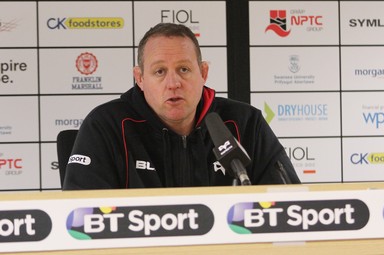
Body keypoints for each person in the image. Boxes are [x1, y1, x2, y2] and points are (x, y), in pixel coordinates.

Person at [63, 23, 300, 190]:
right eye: (159, 71)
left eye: (184, 69)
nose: (173, 83)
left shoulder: (246, 123)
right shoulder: (106, 125)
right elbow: (82, 218)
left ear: (203, 72)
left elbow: (290, 206)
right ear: (140, 78)